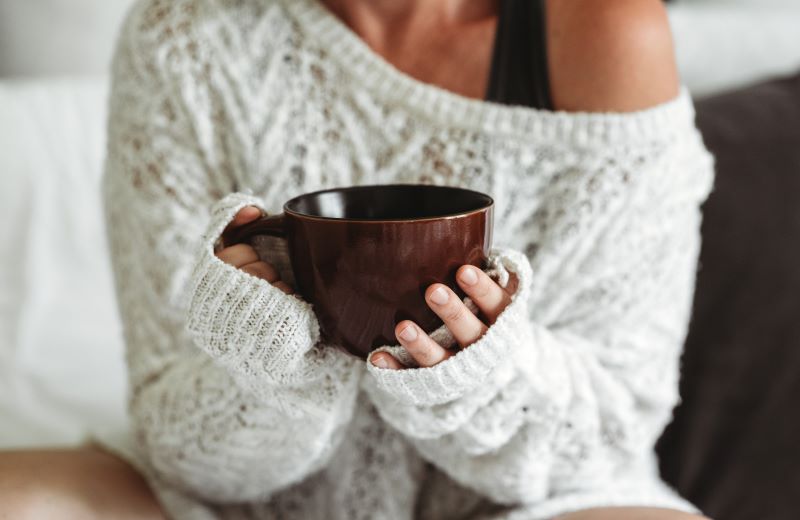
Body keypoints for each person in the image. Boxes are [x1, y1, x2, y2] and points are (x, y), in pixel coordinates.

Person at [0, 0, 715, 518]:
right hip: (233, 506)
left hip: (535, 503)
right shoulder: (182, 36)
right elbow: (174, 437)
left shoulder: (598, 29)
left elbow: (613, 431)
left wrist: (479, 378)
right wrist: (274, 368)